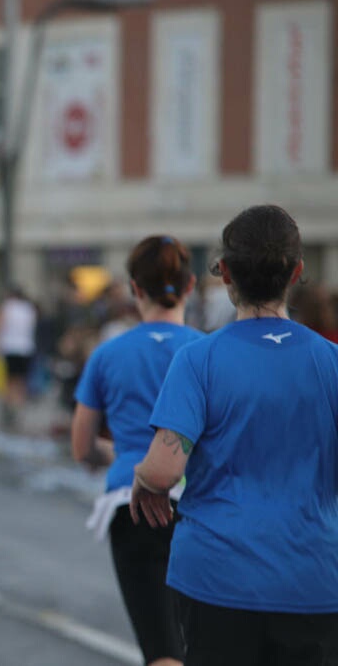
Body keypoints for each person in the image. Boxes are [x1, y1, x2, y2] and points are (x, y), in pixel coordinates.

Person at [131, 205, 338, 665]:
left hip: (217, 578)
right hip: (316, 578)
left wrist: (143, 479)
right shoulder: (331, 362)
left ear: (224, 272)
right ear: (297, 272)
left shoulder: (197, 360)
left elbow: (164, 471)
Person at [71, 236, 202, 666]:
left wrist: (126, 454)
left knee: (161, 647)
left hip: (132, 501)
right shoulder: (207, 350)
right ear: (190, 286)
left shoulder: (108, 354)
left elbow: (81, 446)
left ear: (134, 289)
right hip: (204, 503)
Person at [0, 285, 37, 413]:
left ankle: (9, 406)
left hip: (9, 347)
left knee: (9, 380)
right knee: (21, 380)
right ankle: (19, 406)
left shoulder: (7, 307)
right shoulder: (29, 309)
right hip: (25, 347)